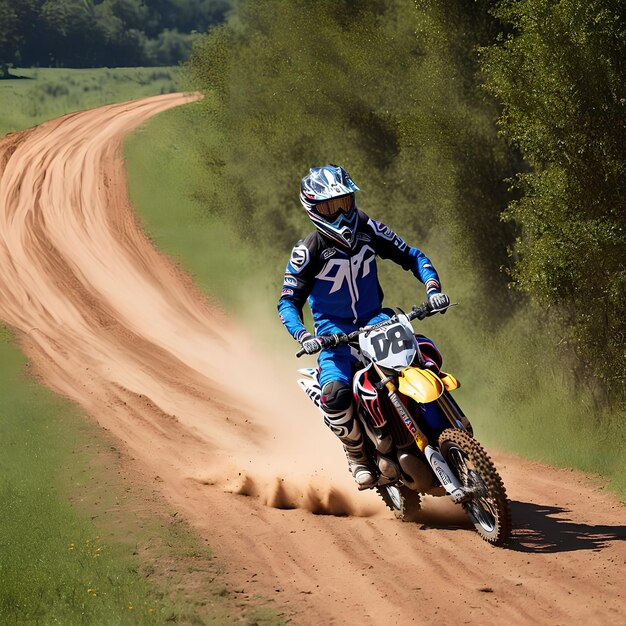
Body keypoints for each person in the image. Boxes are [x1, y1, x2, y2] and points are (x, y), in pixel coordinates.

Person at [277, 165, 450, 488]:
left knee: (424, 355)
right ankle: (356, 452)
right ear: (314, 210)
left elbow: (411, 255)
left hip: (377, 322)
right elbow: (288, 301)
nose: (340, 212)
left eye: (344, 201)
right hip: (333, 337)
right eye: (330, 206)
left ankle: (441, 425)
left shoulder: (369, 228)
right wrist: (304, 336)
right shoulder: (307, 251)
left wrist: (433, 289)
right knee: (335, 394)